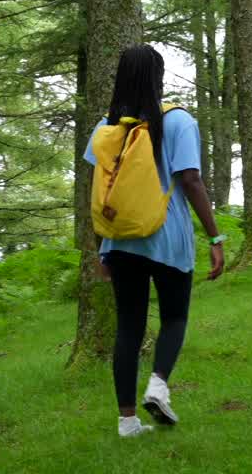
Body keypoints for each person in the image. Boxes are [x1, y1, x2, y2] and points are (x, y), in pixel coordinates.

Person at [83, 45, 225, 438]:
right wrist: (215, 235)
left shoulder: (105, 127)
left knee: (128, 326)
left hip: (121, 242)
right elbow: (191, 180)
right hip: (168, 237)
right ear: (160, 78)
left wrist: (102, 246)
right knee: (175, 317)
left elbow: (99, 192)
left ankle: (127, 422)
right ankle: (159, 385)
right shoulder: (178, 121)